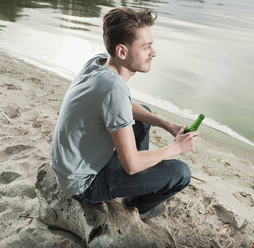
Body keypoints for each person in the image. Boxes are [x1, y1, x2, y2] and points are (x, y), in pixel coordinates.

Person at [51, 7, 199, 219]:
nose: (154, 53)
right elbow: (132, 165)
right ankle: (134, 206)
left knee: (144, 114)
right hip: (83, 184)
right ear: (122, 51)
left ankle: (136, 188)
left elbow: (123, 105)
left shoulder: (99, 62)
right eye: (146, 47)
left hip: (69, 167)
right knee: (180, 173)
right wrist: (177, 147)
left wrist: (165, 124)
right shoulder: (114, 88)